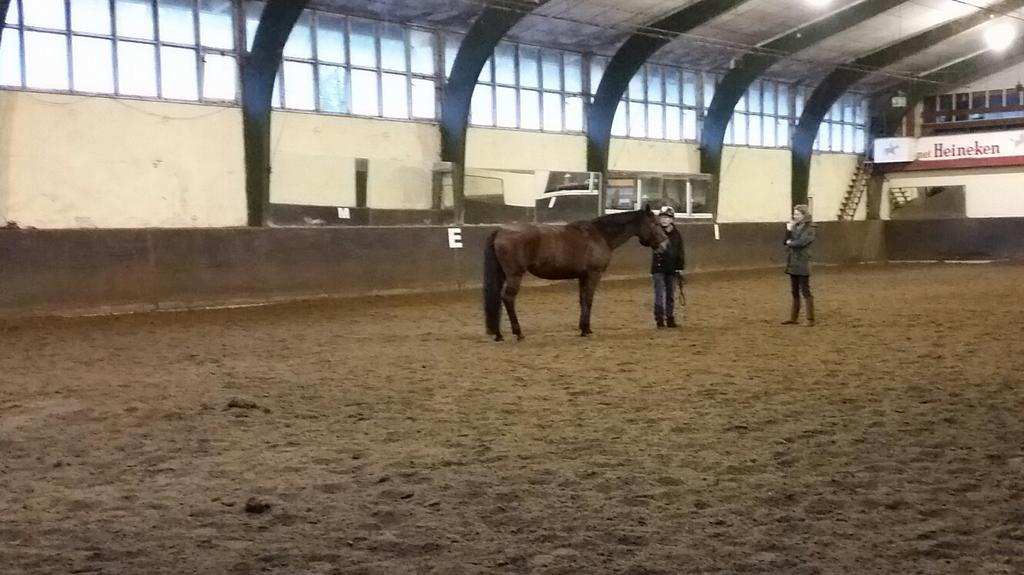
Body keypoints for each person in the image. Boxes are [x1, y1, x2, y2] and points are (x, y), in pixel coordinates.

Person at [651, 206, 685, 328]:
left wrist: (680, 268)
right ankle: (659, 319)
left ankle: (670, 318)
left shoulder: (677, 234)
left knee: (670, 295)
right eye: (662, 217)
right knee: (659, 295)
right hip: (659, 268)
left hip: (671, 268)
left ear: (672, 220)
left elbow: (680, 252)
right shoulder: (656, 233)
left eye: (667, 217)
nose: (664, 220)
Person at [782, 204, 816, 326]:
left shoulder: (810, 228)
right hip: (793, 262)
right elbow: (785, 241)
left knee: (805, 291)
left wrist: (790, 242)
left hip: (803, 262)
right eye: (794, 214)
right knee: (794, 291)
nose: (794, 216)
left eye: (797, 214)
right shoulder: (795, 226)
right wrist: (789, 230)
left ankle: (810, 319)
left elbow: (802, 242)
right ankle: (793, 318)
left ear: (803, 215)